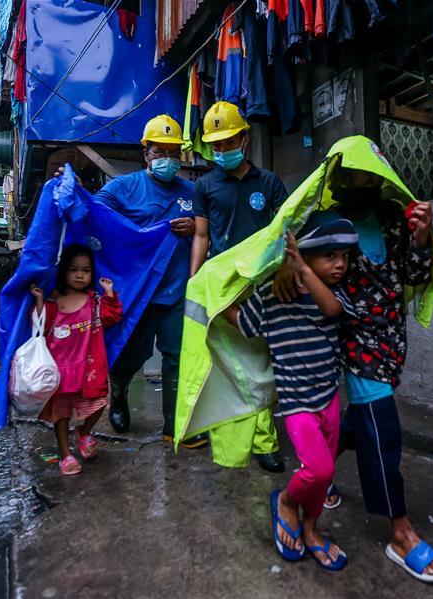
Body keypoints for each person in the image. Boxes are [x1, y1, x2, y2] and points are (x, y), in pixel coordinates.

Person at [274, 166, 433, 582]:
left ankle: (317, 478)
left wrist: (421, 238)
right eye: (350, 181)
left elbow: (412, 275)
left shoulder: (394, 217)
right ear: (336, 183)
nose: (360, 189)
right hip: (352, 339)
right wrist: (285, 265)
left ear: (380, 181)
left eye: (368, 181)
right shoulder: (325, 221)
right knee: (382, 430)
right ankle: (401, 533)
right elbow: (286, 246)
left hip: (390, 342)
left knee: (359, 425)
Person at [223, 211, 358, 570]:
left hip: (328, 398)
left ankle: (311, 529)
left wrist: (304, 270)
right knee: (319, 470)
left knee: (324, 473)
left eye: (344, 256)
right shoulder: (272, 292)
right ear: (305, 253)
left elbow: (332, 309)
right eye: (329, 255)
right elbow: (244, 324)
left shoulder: (334, 292)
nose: (340, 264)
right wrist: (214, 303)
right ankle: (285, 500)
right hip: (297, 403)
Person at [67, 115, 208, 449]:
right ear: (146, 153)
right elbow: (96, 215)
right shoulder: (124, 188)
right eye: (160, 152)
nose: (167, 159)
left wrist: (195, 228)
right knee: (131, 355)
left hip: (178, 290)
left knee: (176, 356)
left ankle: (174, 426)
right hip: (139, 293)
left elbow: (208, 230)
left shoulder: (192, 193)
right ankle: (118, 395)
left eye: (173, 152)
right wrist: (75, 190)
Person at [190, 100, 287, 472]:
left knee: (260, 360)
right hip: (223, 285)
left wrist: (286, 271)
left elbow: (284, 231)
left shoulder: (269, 182)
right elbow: (201, 236)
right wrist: (195, 283)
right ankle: (260, 440)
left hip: (262, 282)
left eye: (229, 142)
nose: (222, 149)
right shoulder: (204, 186)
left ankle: (261, 438)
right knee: (232, 363)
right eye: (216, 144)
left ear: (244, 139)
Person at [31, 243, 123, 476]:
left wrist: (109, 293)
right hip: (60, 373)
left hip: (87, 371)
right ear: (64, 271)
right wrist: (39, 300)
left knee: (98, 404)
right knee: (61, 416)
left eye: (85, 270)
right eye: (73, 270)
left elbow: (113, 316)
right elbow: (40, 324)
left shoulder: (94, 302)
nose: (80, 275)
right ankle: (65, 455)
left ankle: (84, 432)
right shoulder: (55, 300)